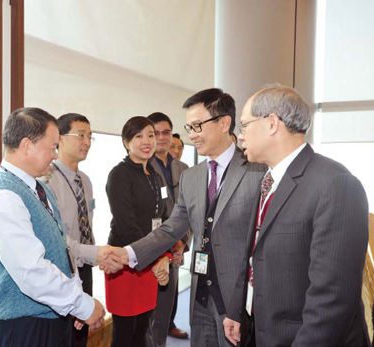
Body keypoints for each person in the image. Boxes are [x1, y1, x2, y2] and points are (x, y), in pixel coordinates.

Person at [108, 89, 265, 347]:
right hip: (200, 295)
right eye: (189, 127)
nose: (191, 134)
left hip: (238, 300)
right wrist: (128, 254)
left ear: (224, 123)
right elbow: (172, 228)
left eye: (197, 126)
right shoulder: (192, 177)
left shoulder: (256, 171)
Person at [223, 84, 370, 347]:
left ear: (271, 124)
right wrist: (238, 310)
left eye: (244, 126)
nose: (240, 136)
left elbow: (333, 299)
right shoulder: (268, 180)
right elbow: (254, 256)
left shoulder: (336, 184)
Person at [0, 107, 110, 347]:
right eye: (52, 147)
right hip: (25, 326)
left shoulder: (39, 188)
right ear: (26, 146)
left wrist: (75, 303)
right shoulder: (3, 196)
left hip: (52, 316)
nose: (55, 156)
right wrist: (81, 305)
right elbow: (31, 271)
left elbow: (60, 246)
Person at [105, 116, 173, 347]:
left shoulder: (155, 176)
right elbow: (127, 227)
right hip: (125, 263)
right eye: (138, 136)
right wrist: (156, 257)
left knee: (143, 330)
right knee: (125, 333)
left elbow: (163, 219)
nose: (147, 141)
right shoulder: (119, 175)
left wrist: (165, 254)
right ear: (126, 142)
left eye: (151, 135)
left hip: (149, 261)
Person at [40, 113, 98, 347]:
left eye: (90, 137)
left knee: (80, 336)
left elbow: (87, 223)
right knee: (62, 336)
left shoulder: (85, 180)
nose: (87, 142)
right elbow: (54, 235)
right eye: (80, 135)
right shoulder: (47, 179)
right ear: (60, 139)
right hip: (60, 270)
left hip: (84, 267)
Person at [146, 112, 191, 346]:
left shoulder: (185, 169)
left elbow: (193, 210)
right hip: (149, 249)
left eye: (166, 132)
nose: (161, 138)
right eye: (156, 133)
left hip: (175, 249)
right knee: (145, 317)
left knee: (164, 312)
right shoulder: (141, 167)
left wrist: (183, 240)